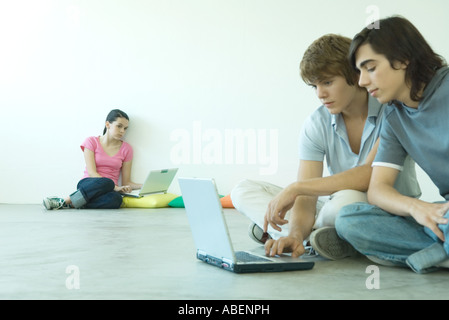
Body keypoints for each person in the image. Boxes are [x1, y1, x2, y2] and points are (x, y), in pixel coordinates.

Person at [230, 34, 420, 260]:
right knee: (243, 190)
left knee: (347, 203)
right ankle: (311, 237)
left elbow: (367, 176)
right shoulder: (316, 123)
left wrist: (296, 188)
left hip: (382, 210)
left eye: (328, 82)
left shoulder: (390, 110)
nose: (320, 94)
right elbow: (307, 195)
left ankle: (283, 231)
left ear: (354, 74)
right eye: (314, 86)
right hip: (334, 205)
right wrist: (296, 231)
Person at [336, 16, 449, 273]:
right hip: (445, 214)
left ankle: (434, 253)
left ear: (402, 59)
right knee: (349, 219)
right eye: (360, 71)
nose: (362, 81)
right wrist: (417, 207)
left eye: (370, 67)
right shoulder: (393, 116)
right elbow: (377, 190)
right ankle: (441, 252)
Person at [43, 109, 142, 210]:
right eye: (119, 126)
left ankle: (73, 203)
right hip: (89, 184)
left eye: (125, 128)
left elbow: (126, 182)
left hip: (109, 190)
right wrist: (115, 187)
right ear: (108, 124)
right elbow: (91, 173)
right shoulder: (91, 142)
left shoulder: (127, 149)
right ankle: (64, 201)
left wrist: (145, 186)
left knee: (116, 199)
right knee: (108, 182)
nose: (122, 131)